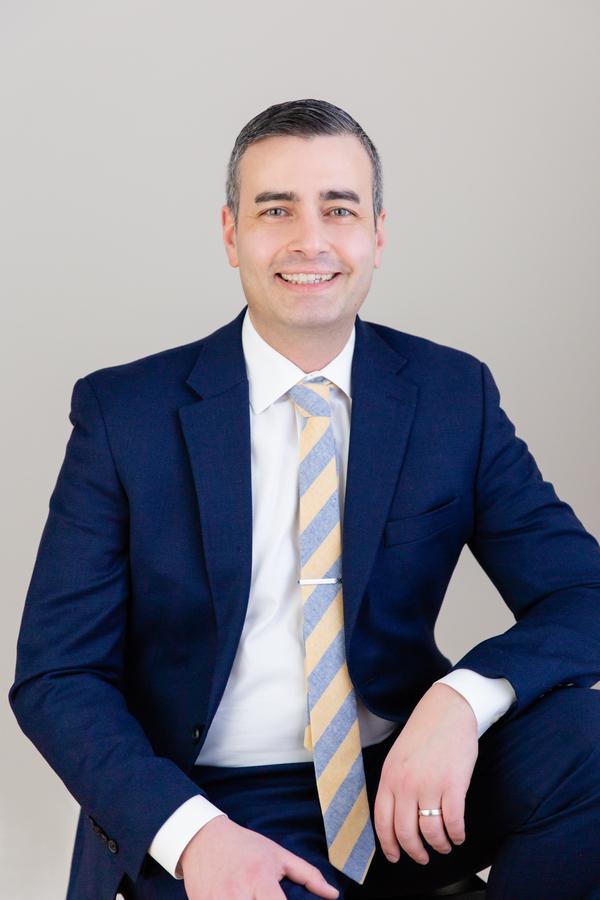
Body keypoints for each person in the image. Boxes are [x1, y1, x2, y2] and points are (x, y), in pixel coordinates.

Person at [10, 99, 600, 900]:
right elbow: (58, 674)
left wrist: (461, 700)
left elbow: (583, 592)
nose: (310, 241)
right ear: (231, 234)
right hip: (217, 801)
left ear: (378, 234)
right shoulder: (126, 415)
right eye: (276, 209)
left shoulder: (451, 394)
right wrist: (195, 836)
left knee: (589, 743)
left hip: (400, 778)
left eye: (339, 209)